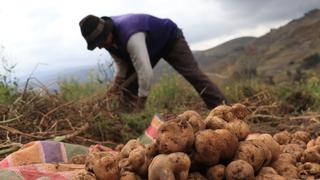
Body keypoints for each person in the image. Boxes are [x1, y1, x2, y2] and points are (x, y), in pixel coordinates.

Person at [79, 13, 227, 112]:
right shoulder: (108, 42)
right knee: (128, 87)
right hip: (149, 48)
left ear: (108, 32)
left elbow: (146, 72)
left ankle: (224, 109)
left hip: (170, 40)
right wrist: (115, 87)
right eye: (96, 43)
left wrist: (141, 102)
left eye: (100, 42)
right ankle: (127, 121)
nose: (99, 46)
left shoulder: (131, 35)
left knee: (193, 75)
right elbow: (122, 66)